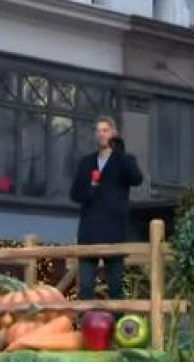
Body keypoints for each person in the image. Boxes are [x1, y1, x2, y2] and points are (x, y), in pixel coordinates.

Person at [70, 116, 144, 300]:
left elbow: (136, 179)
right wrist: (90, 190)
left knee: (116, 287)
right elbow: (75, 194)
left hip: (114, 232)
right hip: (90, 232)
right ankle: (85, 325)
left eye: (105, 130)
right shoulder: (87, 162)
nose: (101, 134)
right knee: (86, 287)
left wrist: (120, 152)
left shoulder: (124, 159)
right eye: (98, 131)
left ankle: (116, 324)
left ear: (113, 133)